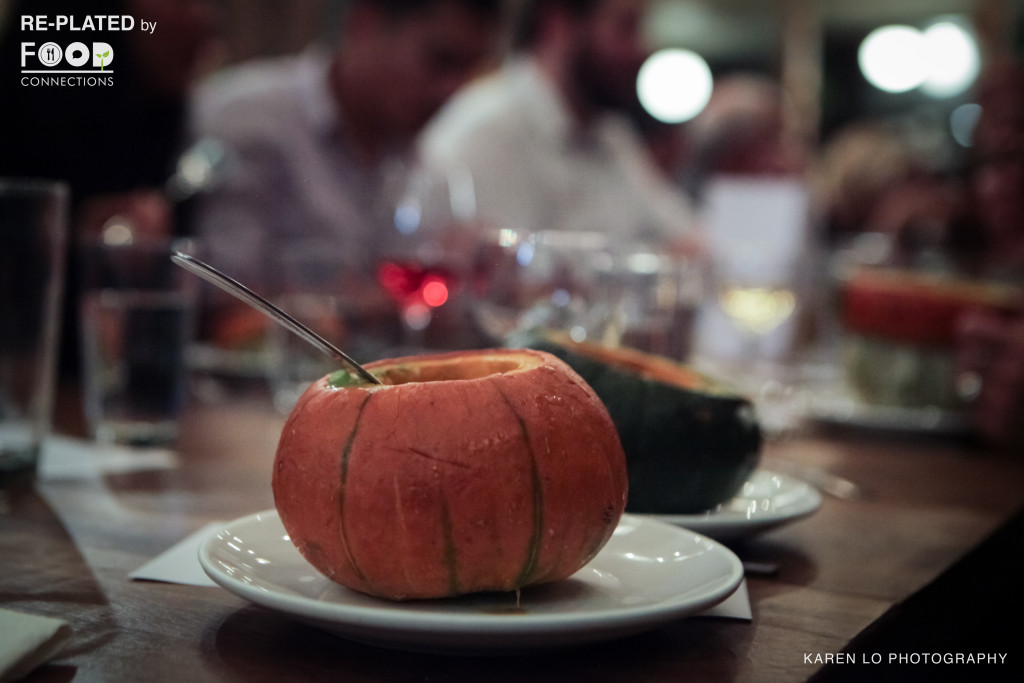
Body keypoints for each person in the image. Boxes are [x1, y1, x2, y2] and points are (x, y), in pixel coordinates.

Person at [189, 0, 503, 348]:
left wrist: (476, 284)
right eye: (440, 60)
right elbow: (215, 299)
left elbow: (431, 322)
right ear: (365, 23)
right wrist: (371, 303)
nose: (453, 91)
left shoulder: (422, 161)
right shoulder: (249, 118)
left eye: (468, 71)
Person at [418, 0, 696, 248]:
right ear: (557, 23)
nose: (641, 49)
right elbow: (502, 284)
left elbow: (690, 242)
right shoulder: (485, 131)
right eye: (625, 27)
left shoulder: (610, 133)